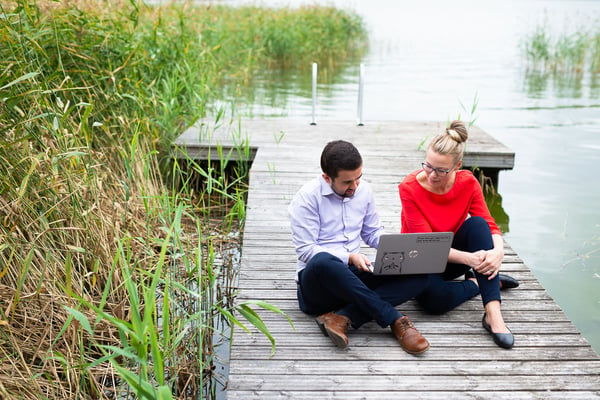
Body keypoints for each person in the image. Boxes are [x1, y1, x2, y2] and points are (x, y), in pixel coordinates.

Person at [288, 140, 431, 354]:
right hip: (317, 287)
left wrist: (396, 246)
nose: (355, 186)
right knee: (324, 261)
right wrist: (350, 257)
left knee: (421, 275)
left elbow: (372, 232)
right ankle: (394, 319)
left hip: (352, 278)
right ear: (327, 178)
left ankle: (343, 317)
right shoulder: (307, 198)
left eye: (358, 178)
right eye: (347, 182)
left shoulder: (363, 191)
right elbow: (307, 250)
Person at [399, 120, 519, 349]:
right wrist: (471, 260)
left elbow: (491, 224)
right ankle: (477, 283)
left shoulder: (468, 182)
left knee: (478, 225)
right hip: (420, 259)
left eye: (441, 170)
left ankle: (493, 315)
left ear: (457, 166)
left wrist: (498, 253)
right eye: (428, 166)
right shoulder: (409, 188)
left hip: (451, 256)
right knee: (433, 301)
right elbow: (426, 245)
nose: (432, 175)